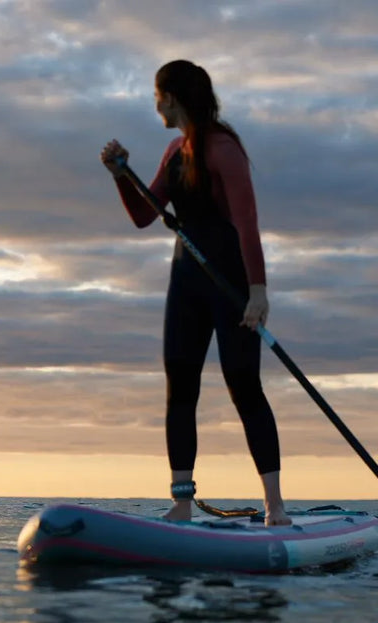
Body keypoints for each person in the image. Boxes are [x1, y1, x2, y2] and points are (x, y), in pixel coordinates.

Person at [100, 59, 291, 526]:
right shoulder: (174, 152)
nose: (154, 104)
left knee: (244, 386)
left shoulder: (224, 150)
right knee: (179, 390)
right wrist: (121, 175)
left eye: (156, 95)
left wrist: (258, 293)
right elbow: (146, 216)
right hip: (186, 283)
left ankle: (275, 507)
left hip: (230, 285)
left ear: (172, 97)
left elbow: (247, 224)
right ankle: (182, 504)